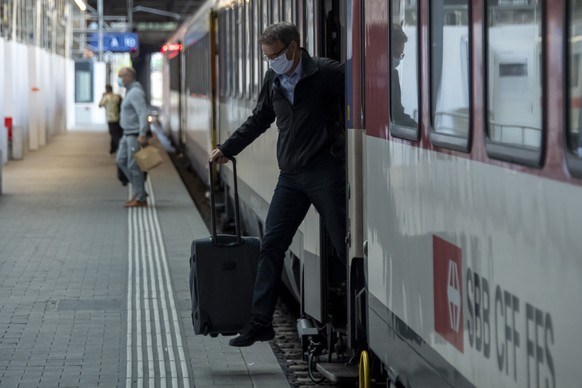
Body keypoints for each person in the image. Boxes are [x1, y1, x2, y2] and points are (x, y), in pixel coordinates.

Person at [210, 22, 346, 347]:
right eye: (267, 57)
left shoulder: (327, 73)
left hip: (324, 172)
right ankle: (260, 322)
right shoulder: (273, 78)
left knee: (344, 245)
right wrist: (227, 149)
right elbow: (260, 118)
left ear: (293, 48)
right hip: (291, 177)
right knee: (270, 245)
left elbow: (368, 97)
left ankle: (361, 324)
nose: (271, 62)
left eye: (274, 55)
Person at [116, 67, 149, 208]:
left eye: (121, 76)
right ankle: (139, 191)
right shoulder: (130, 91)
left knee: (134, 166)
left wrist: (142, 134)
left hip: (134, 135)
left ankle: (140, 198)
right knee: (121, 160)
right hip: (126, 133)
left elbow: (143, 113)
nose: (119, 79)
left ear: (128, 76)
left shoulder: (135, 92)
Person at [391, 23, 418, 128]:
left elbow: (397, 113)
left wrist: (418, 128)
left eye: (400, 55)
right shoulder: (360, 73)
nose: (397, 59)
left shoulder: (393, 75)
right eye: (395, 54)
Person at [99, 85, 123, 154]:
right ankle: (113, 149)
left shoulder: (106, 97)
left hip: (110, 118)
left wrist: (103, 96)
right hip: (118, 117)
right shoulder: (117, 96)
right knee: (116, 133)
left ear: (106, 90)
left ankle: (119, 148)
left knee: (113, 134)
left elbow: (100, 105)